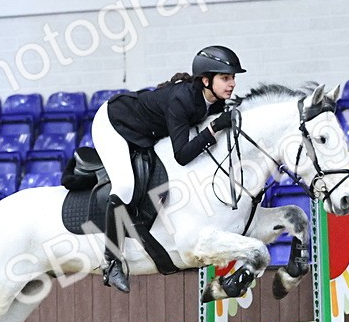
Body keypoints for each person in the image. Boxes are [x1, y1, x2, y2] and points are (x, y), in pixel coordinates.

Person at [90, 45, 246, 293]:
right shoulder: (182, 99)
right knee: (125, 186)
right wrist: (214, 129)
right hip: (114, 123)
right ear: (206, 80)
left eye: (233, 78)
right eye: (225, 78)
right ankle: (111, 261)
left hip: (145, 133)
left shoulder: (215, 101)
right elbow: (182, 155)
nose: (232, 84)